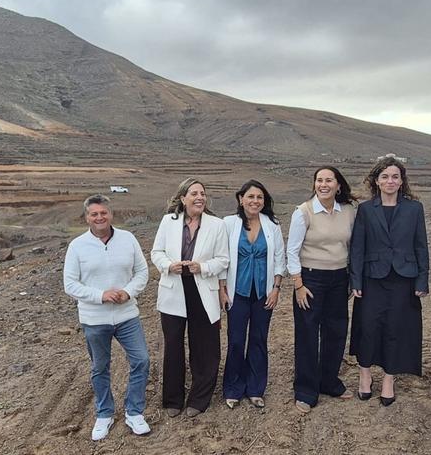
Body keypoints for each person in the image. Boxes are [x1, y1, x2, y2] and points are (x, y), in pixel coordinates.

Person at [63, 194, 151, 440]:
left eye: (103, 213)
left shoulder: (128, 239)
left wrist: (128, 292)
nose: (99, 217)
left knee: (141, 361)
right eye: (94, 214)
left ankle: (134, 412)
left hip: (127, 316)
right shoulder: (77, 246)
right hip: (94, 319)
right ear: (87, 217)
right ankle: (104, 414)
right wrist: (101, 295)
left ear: (111, 214)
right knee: (100, 367)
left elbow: (142, 271)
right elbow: (70, 284)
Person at [349, 156, 429, 406]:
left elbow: (421, 246)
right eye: (384, 176)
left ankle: (388, 379)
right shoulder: (365, 209)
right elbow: (357, 248)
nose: (390, 181)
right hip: (372, 278)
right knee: (368, 326)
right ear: (376, 181)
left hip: (404, 279)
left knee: (396, 328)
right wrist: (355, 280)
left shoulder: (414, 209)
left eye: (395, 176)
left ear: (402, 180)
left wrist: (421, 280)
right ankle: (364, 375)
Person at [151, 178, 229, 418]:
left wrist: (202, 267)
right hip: (173, 288)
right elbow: (157, 252)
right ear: (183, 198)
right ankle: (173, 400)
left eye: (203, 193)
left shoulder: (217, 225)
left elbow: (223, 259)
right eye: (194, 193)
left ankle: (199, 398)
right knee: (173, 344)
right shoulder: (168, 222)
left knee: (205, 346)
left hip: (202, 289)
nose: (199, 198)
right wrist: (168, 266)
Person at [286, 166, 357, 415]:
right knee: (307, 334)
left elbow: (353, 247)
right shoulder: (303, 212)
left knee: (336, 331)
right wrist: (299, 285)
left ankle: (329, 381)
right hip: (310, 280)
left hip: (339, 278)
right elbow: (292, 251)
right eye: (319, 180)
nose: (323, 184)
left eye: (329, 180)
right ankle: (305, 389)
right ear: (314, 184)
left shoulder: (348, 211)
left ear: (338, 185)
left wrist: (351, 279)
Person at [218, 180, 286, 409]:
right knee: (236, 341)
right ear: (241, 199)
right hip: (237, 292)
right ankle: (233, 388)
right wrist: (222, 290)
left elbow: (279, 259)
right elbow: (222, 258)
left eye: (259, 198)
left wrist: (276, 289)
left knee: (259, 340)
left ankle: (256, 388)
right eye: (251, 197)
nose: (255, 201)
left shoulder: (272, 224)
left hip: (263, 293)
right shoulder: (228, 224)